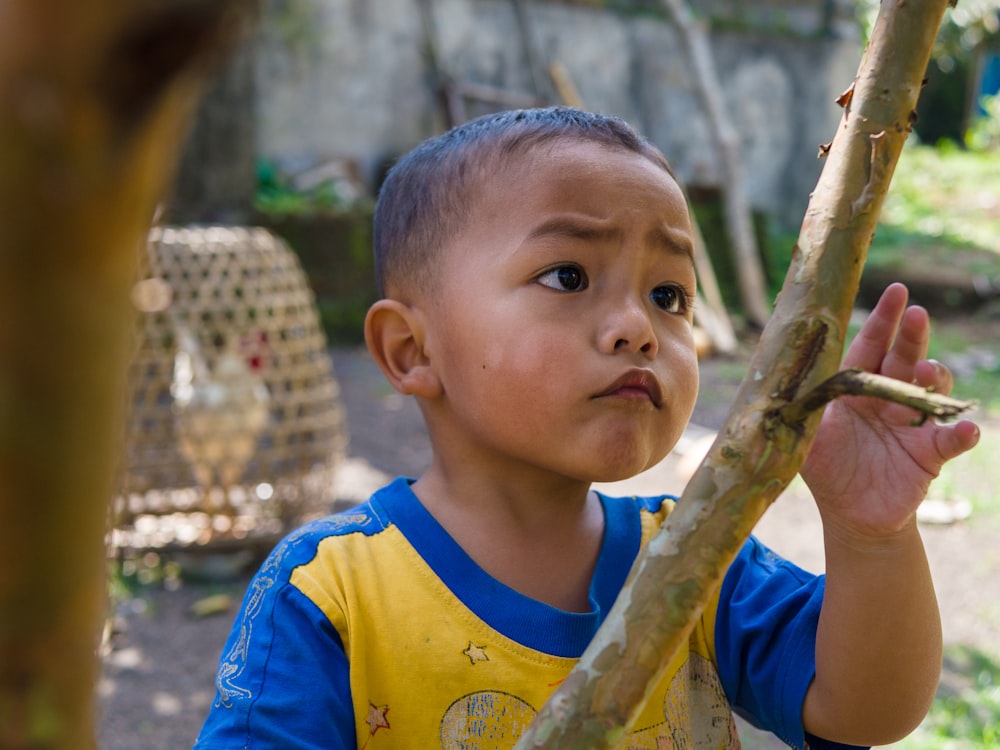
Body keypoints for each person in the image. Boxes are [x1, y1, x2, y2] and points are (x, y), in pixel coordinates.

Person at [193, 107, 980, 750]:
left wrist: (871, 533)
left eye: (670, 294)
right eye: (568, 276)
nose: (638, 327)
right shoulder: (330, 595)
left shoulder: (698, 561)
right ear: (412, 349)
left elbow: (866, 709)